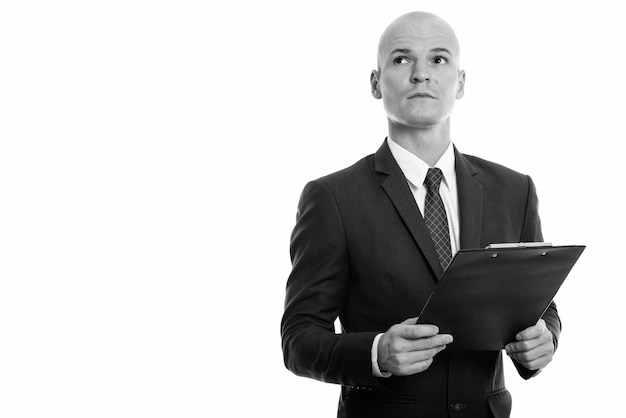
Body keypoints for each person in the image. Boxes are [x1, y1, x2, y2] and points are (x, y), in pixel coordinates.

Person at [281, 11, 560, 418]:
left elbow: (541, 305)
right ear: (376, 84)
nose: (421, 75)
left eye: (438, 59)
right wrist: (377, 352)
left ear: (460, 83)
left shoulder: (514, 191)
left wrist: (544, 338)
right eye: (401, 59)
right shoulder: (333, 198)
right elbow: (299, 339)